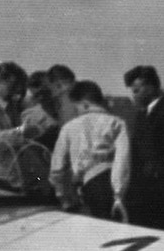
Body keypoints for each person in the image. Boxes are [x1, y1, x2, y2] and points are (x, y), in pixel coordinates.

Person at [49, 80, 131, 219]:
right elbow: (123, 159)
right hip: (116, 185)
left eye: (77, 108)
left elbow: (57, 168)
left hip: (88, 186)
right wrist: (118, 194)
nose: (77, 112)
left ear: (85, 104)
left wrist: (62, 195)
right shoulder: (117, 123)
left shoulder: (69, 127)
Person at [123, 65, 164, 231]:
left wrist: (154, 168)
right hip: (141, 187)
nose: (134, 95)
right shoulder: (141, 114)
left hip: (161, 188)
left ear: (151, 87)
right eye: (132, 90)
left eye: (137, 90)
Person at [19, 70, 60, 150]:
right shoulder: (30, 116)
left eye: (44, 92)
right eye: (37, 95)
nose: (41, 98)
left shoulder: (72, 110)